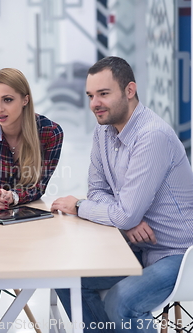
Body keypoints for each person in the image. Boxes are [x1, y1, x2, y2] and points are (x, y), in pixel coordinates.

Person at [51, 56, 193, 333]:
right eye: (91, 95)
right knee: (66, 277)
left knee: (122, 300)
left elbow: (117, 210)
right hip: (135, 246)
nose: (95, 103)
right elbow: (99, 191)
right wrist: (125, 220)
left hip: (179, 253)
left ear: (129, 91)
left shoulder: (152, 136)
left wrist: (80, 206)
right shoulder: (103, 131)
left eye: (104, 94)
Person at [0, 68, 63, 211]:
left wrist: (13, 197)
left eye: (7, 100)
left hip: (27, 212)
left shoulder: (50, 133)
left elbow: (39, 186)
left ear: (25, 100)